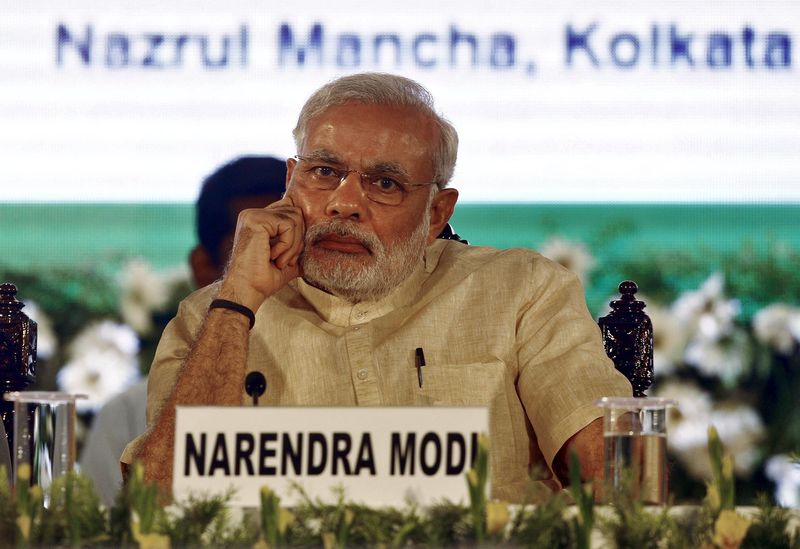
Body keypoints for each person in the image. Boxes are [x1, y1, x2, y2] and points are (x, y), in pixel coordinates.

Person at [122, 72, 632, 503]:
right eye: (324, 172)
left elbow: (619, 487)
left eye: (384, 183)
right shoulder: (211, 317)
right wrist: (236, 301)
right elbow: (156, 502)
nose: (345, 204)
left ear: (437, 212)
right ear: (291, 183)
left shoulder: (522, 292)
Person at [79, 156, 286, 507]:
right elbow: (102, 537)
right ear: (202, 267)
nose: (275, 271)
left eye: (290, 248)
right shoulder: (129, 412)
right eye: (251, 250)